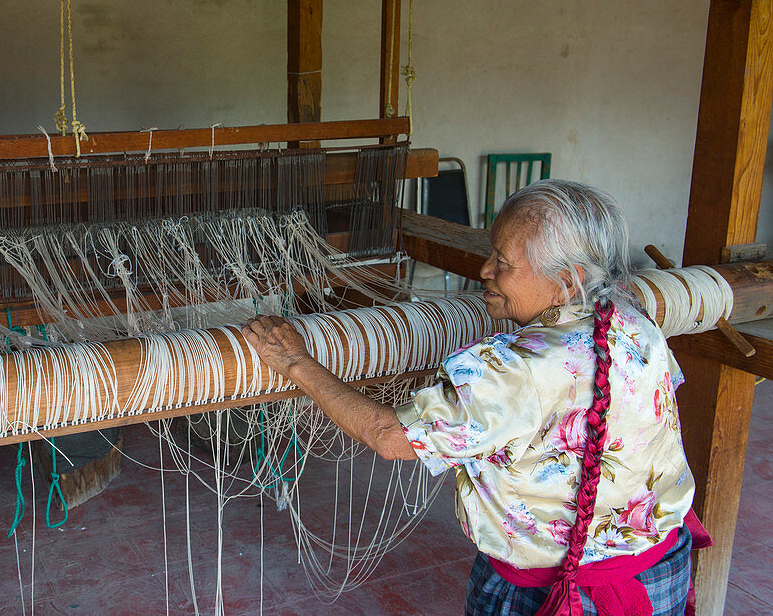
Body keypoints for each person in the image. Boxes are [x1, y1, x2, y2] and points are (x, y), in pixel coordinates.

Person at [242, 179, 709, 615]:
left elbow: (389, 436)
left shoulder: (514, 371)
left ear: (568, 281)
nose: (484, 270)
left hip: (559, 593)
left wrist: (294, 363)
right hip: (659, 569)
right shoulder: (635, 323)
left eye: (502, 263)